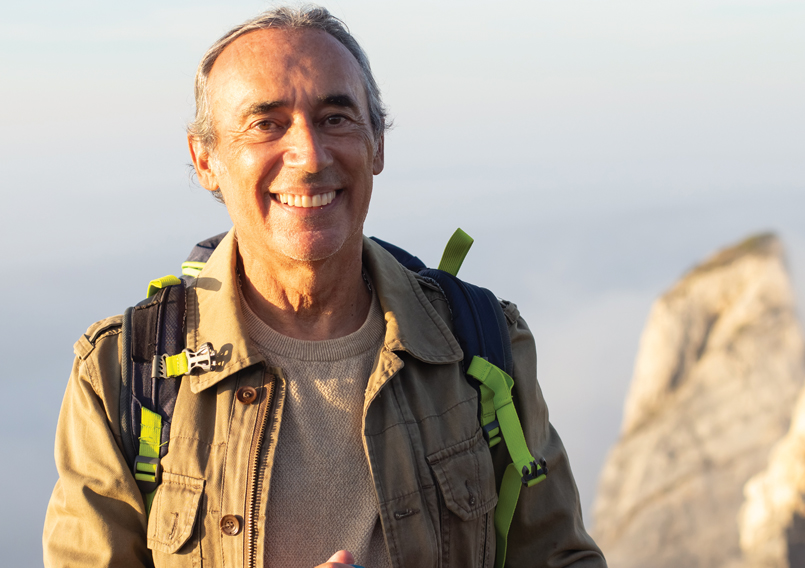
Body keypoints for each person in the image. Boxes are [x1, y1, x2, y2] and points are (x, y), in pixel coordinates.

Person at [43, 5, 605, 568]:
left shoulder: (480, 348)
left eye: (336, 118)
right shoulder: (123, 372)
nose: (310, 156)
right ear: (205, 160)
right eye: (266, 124)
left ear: (377, 143)